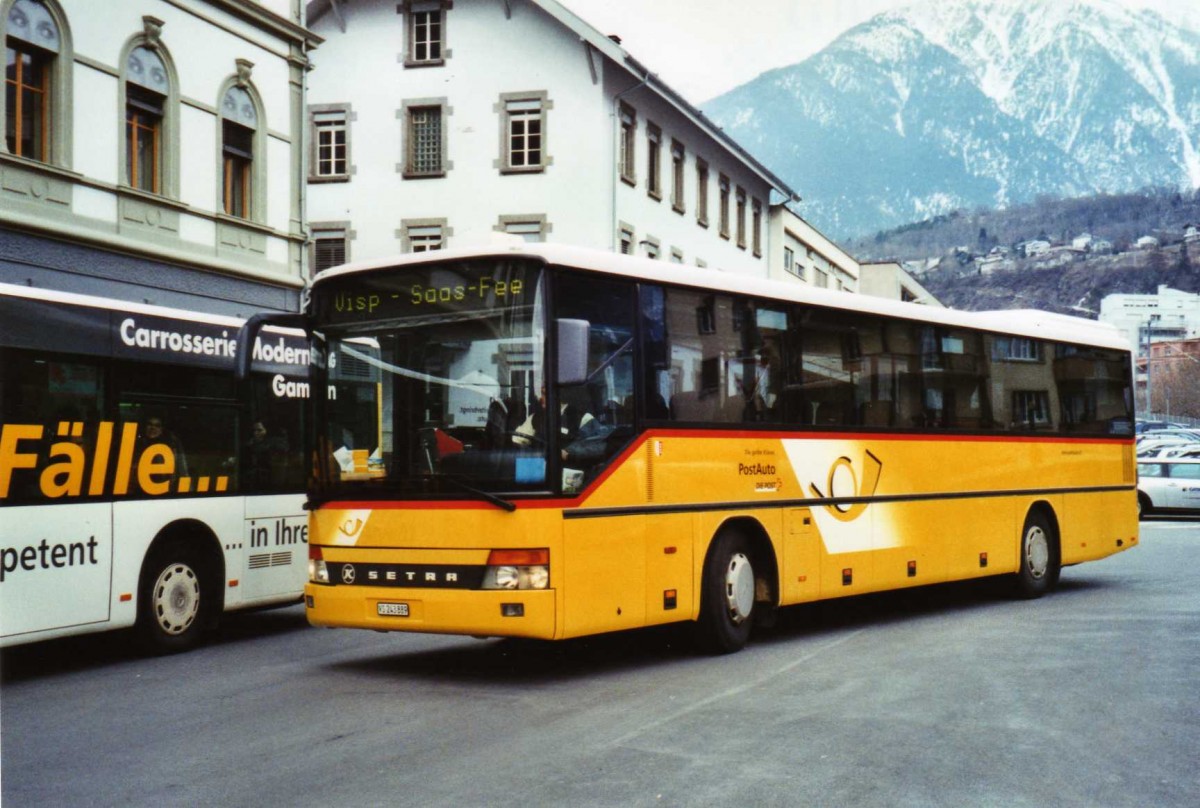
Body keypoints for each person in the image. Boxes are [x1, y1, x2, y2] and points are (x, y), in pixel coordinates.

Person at [243, 420, 288, 489]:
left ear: (266, 430)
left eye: (259, 430)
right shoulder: (248, 445)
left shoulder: (275, 443)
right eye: (254, 430)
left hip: (272, 478)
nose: (256, 433)